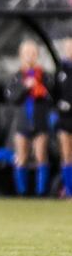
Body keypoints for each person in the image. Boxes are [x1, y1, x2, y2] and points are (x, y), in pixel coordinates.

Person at [6, 39, 52, 196]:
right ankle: (22, 192)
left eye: (33, 53)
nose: (29, 56)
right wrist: (25, 87)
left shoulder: (45, 76)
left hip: (40, 123)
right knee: (22, 157)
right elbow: (12, 98)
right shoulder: (17, 77)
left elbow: (51, 96)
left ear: (37, 55)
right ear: (21, 55)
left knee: (41, 156)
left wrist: (41, 89)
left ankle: (41, 193)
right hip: (22, 122)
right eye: (26, 53)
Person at [55, 38, 72, 197]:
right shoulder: (60, 71)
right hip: (64, 118)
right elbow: (54, 93)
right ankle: (69, 190)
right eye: (68, 48)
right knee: (66, 154)